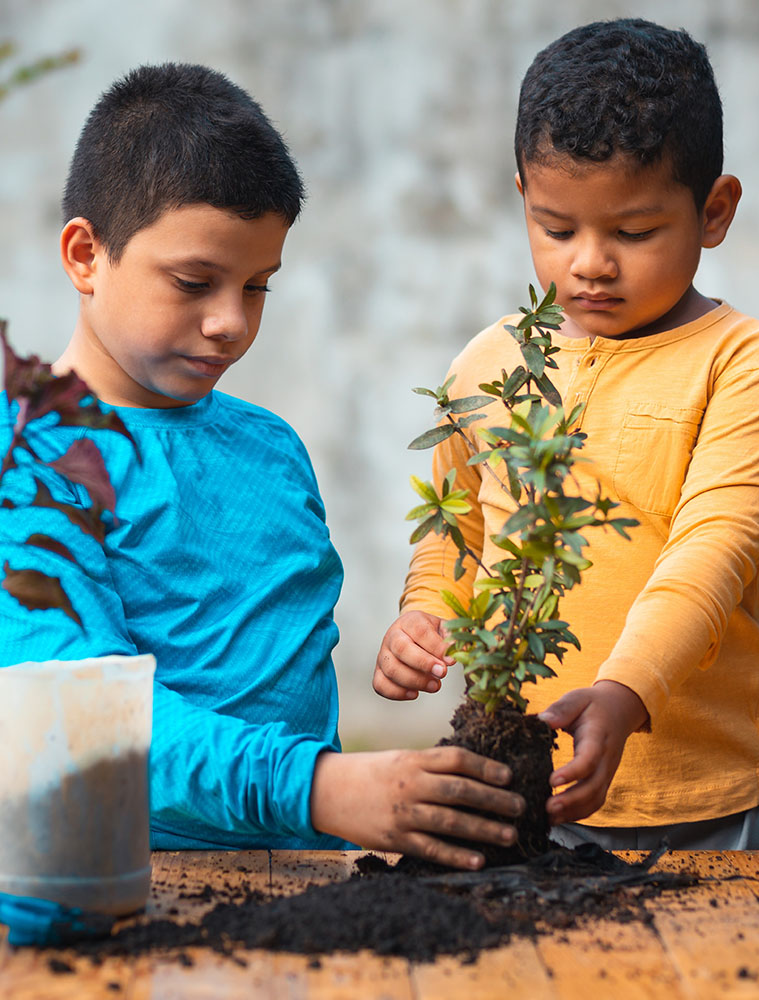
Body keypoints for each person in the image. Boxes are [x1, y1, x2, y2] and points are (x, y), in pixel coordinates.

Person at [0, 63, 525, 870]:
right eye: (194, 282)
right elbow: (87, 713)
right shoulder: (32, 462)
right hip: (133, 886)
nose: (228, 323)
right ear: (85, 254)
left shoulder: (271, 447)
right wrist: (323, 788)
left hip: (315, 875)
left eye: (257, 286)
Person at [373, 19, 759, 850]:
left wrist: (625, 692)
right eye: (557, 228)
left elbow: (713, 552)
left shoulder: (747, 366)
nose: (589, 264)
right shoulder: (496, 363)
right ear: (524, 198)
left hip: (705, 812)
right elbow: (460, 525)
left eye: (632, 232)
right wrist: (422, 615)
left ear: (713, 212)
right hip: (519, 791)